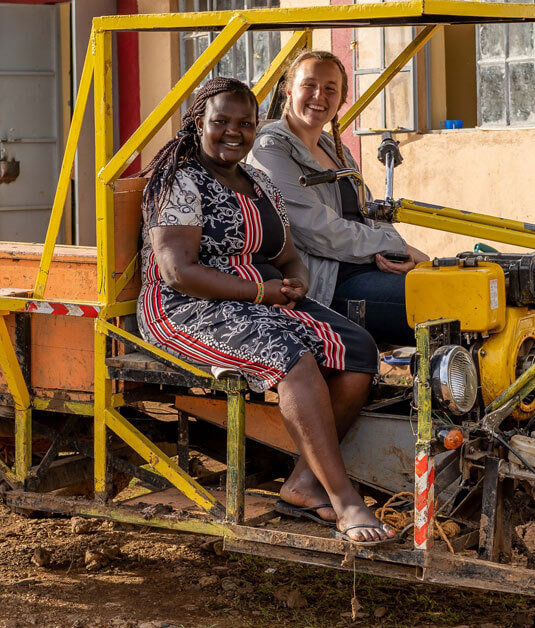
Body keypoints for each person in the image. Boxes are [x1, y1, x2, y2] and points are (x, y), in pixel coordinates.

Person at [136, 76, 395, 545]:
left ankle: (302, 483)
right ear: (198, 123)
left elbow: (286, 254)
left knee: (358, 349)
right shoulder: (177, 181)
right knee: (290, 355)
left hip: (258, 299)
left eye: (245, 124)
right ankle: (345, 502)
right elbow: (178, 272)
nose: (234, 132)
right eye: (221, 122)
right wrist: (261, 295)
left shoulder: (257, 181)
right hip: (184, 308)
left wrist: (296, 282)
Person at [247, 50, 428, 347]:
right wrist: (395, 245)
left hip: (368, 270)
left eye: (331, 88)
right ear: (289, 91)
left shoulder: (334, 149)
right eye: (309, 85)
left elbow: (373, 214)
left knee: (461, 287)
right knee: (441, 305)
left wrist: (399, 257)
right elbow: (316, 230)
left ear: (341, 99)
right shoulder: (269, 149)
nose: (320, 95)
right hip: (325, 285)